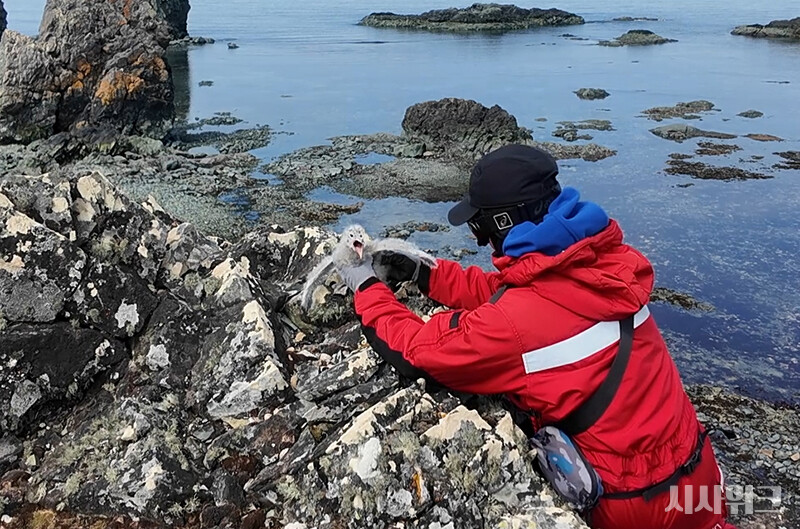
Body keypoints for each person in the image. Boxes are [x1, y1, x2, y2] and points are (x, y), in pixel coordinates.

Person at [334, 144, 734, 529]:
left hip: (631, 503)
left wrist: (366, 285)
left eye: (480, 226)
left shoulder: (514, 326)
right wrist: (426, 272)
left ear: (504, 223)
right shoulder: (606, 264)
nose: (478, 240)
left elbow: (420, 350)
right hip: (701, 480)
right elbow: (517, 296)